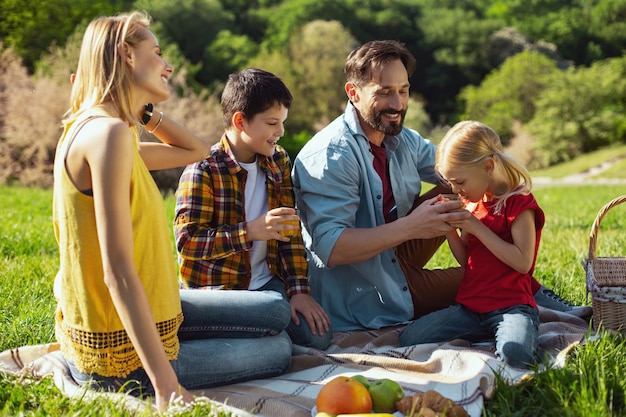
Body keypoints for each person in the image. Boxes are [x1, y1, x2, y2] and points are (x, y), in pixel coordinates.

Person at [52, 12, 292, 411]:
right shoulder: (106, 135)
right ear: (127, 57)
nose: (169, 66)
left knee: (274, 310)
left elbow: (197, 151)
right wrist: (166, 384)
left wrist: (140, 109)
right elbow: (118, 273)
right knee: (280, 350)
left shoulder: (107, 129)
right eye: (157, 53)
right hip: (117, 358)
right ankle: (158, 367)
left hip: (154, 305)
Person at [292, 39, 591, 332]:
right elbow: (330, 249)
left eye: (403, 90)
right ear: (353, 93)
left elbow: (459, 169)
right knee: (488, 279)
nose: (397, 104)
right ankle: (531, 298)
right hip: (362, 288)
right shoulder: (331, 155)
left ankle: (537, 297)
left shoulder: (400, 138)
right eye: (384, 93)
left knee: (452, 187)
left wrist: (508, 192)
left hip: (393, 254)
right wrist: (412, 226)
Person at [174, 68, 332, 350]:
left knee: (317, 337)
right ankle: (262, 337)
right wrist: (251, 231)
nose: (280, 132)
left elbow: (290, 235)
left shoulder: (278, 161)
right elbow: (187, 243)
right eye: (272, 123)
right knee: (274, 312)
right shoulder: (203, 170)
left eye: (282, 122)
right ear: (240, 121)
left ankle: (259, 338)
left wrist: (298, 291)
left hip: (265, 285)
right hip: (217, 293)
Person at [398, 121, 542, 368]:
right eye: (452, 183)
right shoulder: (474, 202)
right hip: (471, 306)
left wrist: (476, 227)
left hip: (511, 306)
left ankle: (514, 331)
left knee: (516, 357)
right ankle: (489, 333)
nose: (456, 190)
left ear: (487, 167)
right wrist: (449, 230)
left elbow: (522, 262)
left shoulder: (518, 203)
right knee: (409, 338)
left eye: (460, 182)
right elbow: (467, 260)